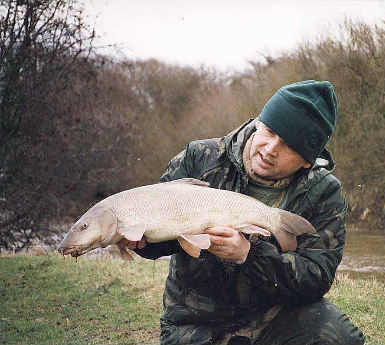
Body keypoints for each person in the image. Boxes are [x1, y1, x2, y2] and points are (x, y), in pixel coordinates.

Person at [120, 80, 366, 345]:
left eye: (289, 146)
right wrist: (142, 243)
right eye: (270, 131)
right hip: (196, 321)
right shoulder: (199, 158)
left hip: (274, 316)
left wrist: (248, 255)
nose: (271, 149)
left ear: (307, 159)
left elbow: (315, 279)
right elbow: (160, 241)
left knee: (340, 338)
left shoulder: (325, 193)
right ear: (260, 122)